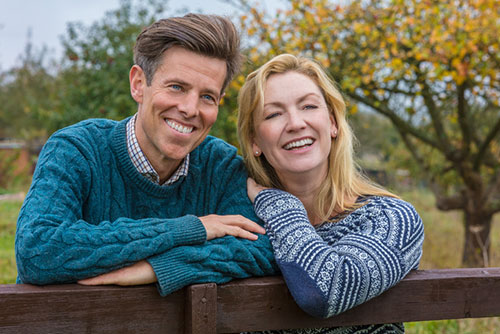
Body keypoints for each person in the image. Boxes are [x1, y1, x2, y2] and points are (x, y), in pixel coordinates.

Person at [15, 13, 278, 296]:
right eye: (177, 87)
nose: (190, 109)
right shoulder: (76, 149)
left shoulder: (221, 165)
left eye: (207, 97)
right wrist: (190, 229)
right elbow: (38, 249)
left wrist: (161, 267)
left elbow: (264, 247)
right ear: (139, 83)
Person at [237, 54, 424, 333]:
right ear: (255, 141)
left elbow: (323, 291)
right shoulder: (242, 223)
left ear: (333, 123)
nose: (296, 123)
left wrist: (278, 204)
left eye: (309, 106)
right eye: (274, 113)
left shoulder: (392, 218)